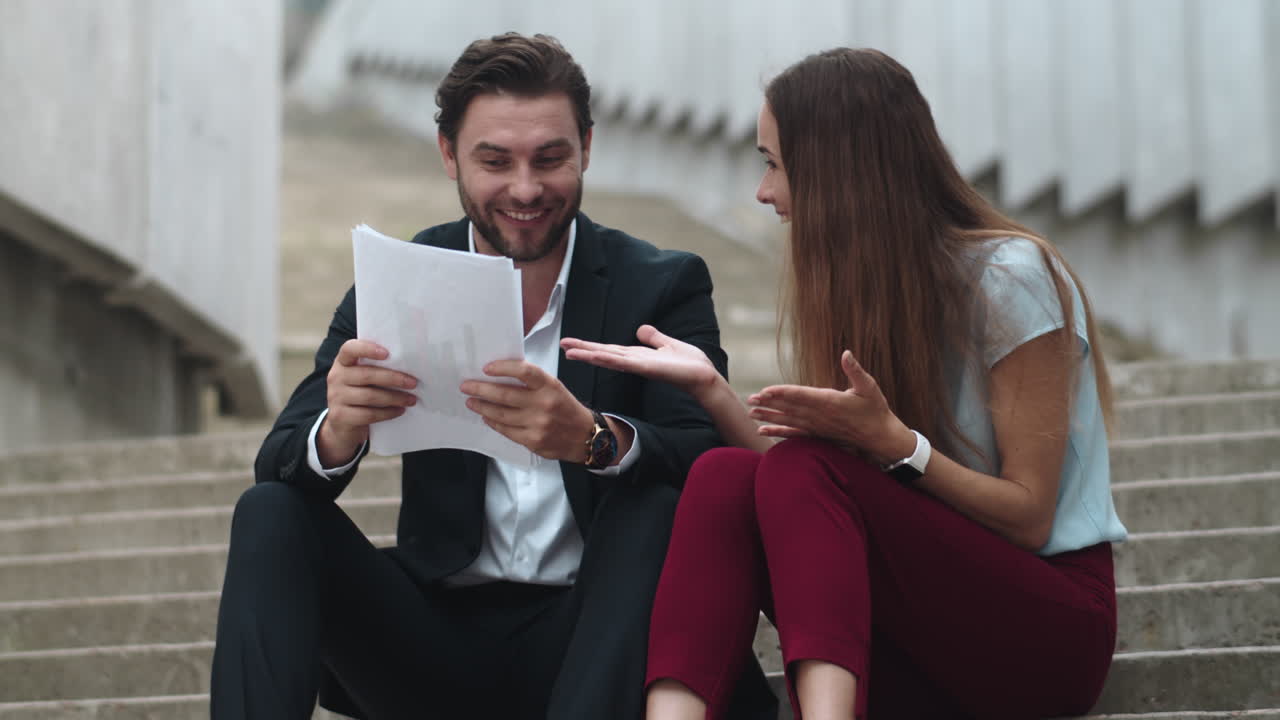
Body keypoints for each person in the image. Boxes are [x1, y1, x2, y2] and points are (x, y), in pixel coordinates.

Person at [210, 32, 776, 720]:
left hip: (603, 638)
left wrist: (593, 440)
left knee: (654, 498)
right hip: (438, 644)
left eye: (550, 158)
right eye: (495, 160)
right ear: (449, 155)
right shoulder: (400, 280)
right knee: (269, 514)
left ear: (587, 147)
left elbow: (710, 460)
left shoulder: (660, 284)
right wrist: (339, 429)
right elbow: (279, 463)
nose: (526, 188)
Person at [562, 47, 1129, 720]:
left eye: (772, 163)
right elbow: (805, 503)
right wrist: (710, 388)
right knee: (721, 475)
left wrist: (899, 445)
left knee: (802, 469)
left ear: (834, 168)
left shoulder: (1011, 276)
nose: (762, 191)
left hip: (1042, 633)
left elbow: (1031, 518)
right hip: (916, 642)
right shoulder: (864, 294)